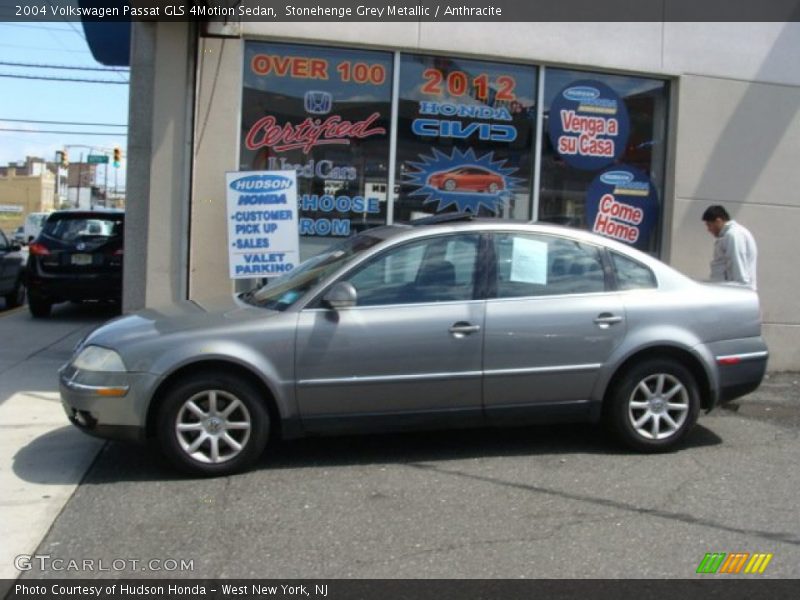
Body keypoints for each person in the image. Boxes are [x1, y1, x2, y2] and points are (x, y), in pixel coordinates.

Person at [701, 205, 758, 290]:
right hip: (727, 289)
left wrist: (740, 290)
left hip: (736, 291)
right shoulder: (729, 235)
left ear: (718, 221)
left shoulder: (734, 235)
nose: (708, 229)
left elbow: (738, 264)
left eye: (709, 225)